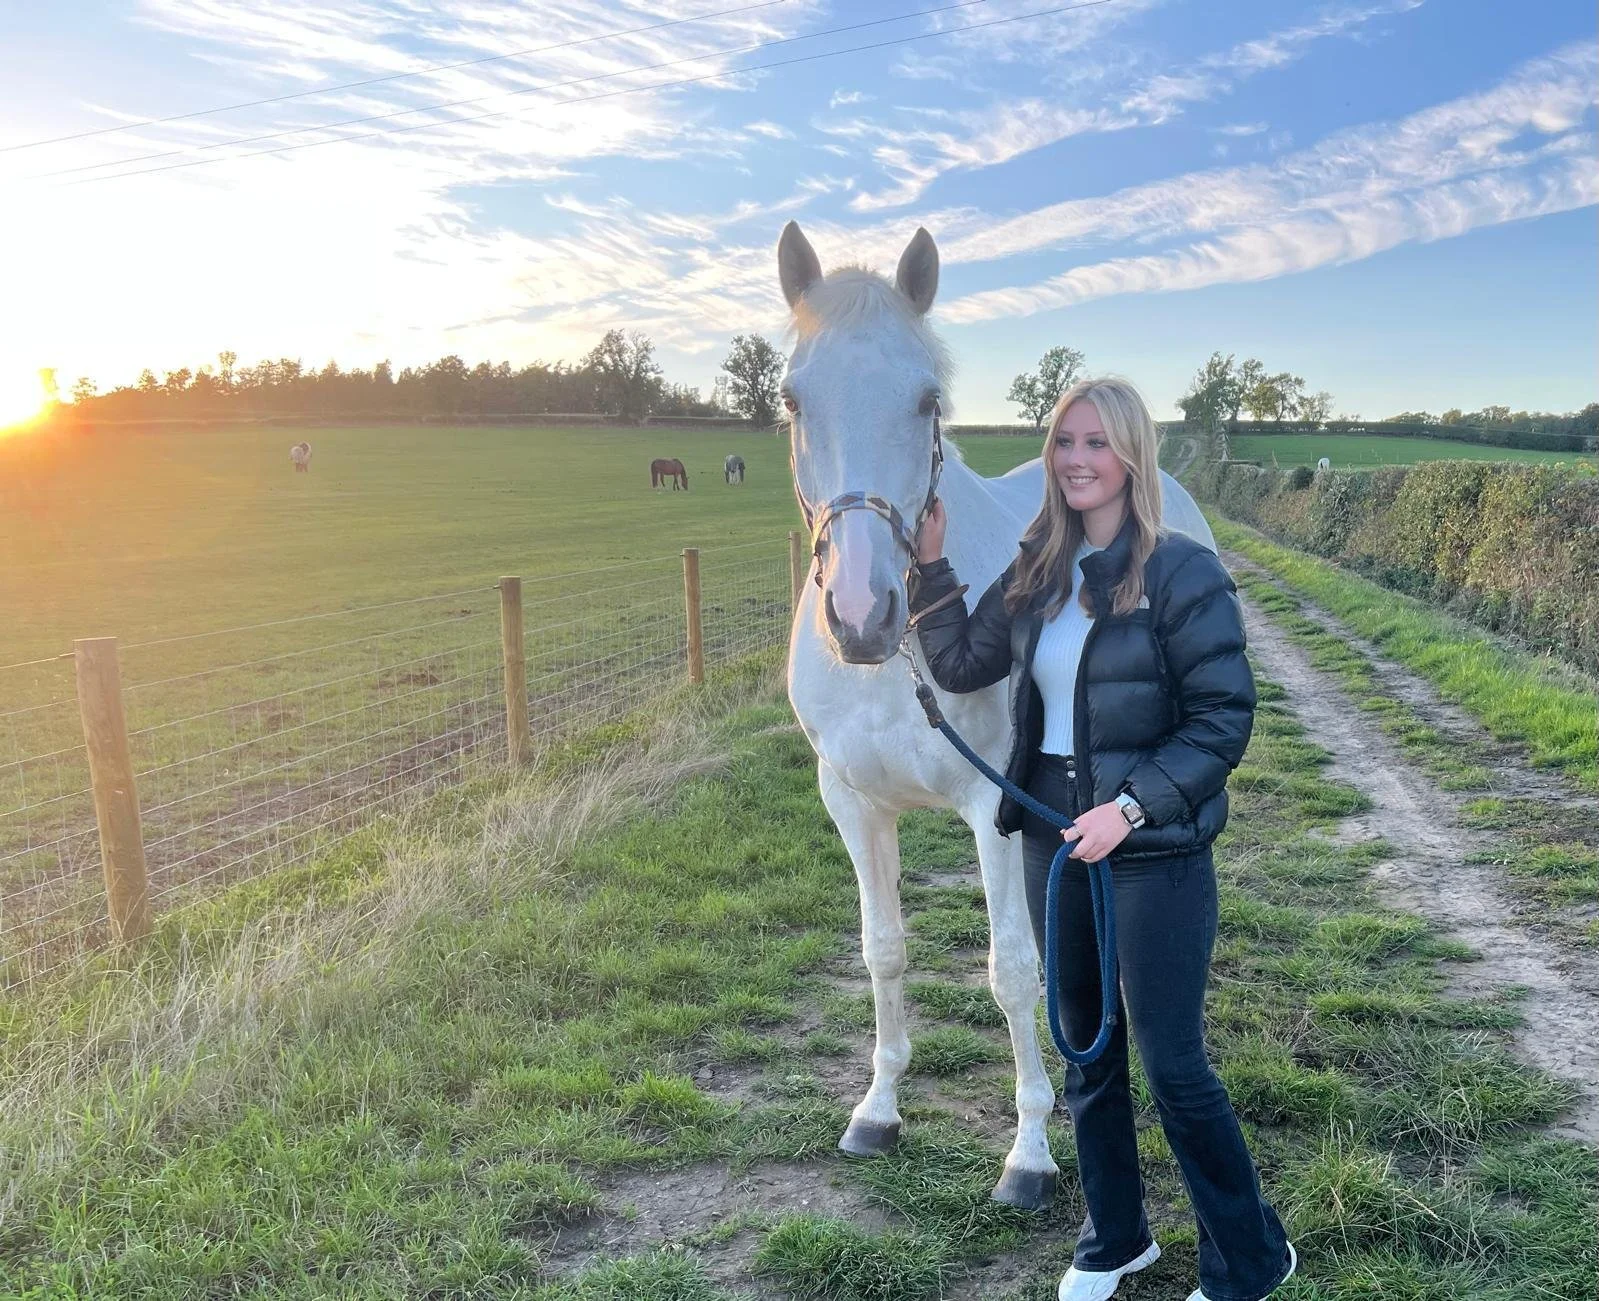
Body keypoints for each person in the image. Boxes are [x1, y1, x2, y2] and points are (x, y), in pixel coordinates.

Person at [909, 377, 1296, 1301]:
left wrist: (1128, 809)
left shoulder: (1182, 572)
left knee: (1171, 1063)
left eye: (1095, 442)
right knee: (1084, 1046)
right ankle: (1115, 1236)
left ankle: (1250, 1257)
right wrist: (928, 568)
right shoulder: (1037, 565)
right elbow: (964, 661)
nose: (1076, 459)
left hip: (1151, 846)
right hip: (1051, 829)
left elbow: (1221, 721)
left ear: (1130, 454)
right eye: (1062, 442)